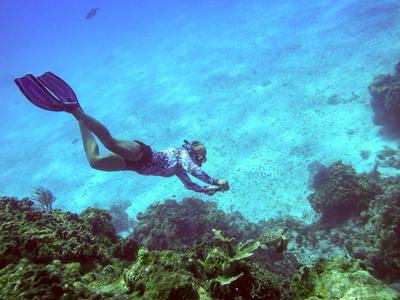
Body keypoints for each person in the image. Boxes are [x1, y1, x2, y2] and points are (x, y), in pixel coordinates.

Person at [14, 72, 229, 195]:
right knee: (108, 142)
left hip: (134, 166)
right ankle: (77, 109)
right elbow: (195, 171)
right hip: (142, 155)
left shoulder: (179, 169)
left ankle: (77, 117)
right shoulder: (182, 155)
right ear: (194, 152)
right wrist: (215, 180)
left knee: (94, 161)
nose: (200, 161)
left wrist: (208, 190)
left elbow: (189, 183)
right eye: (201, 156)